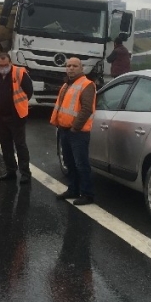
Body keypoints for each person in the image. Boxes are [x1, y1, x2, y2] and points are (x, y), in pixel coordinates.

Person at [51, 57, 97, 205]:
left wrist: (75, 127)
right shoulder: (66, 85)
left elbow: (87, 109)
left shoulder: (86, 85)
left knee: (81, 164)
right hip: (64, 130)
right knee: (70, 163)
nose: (71, 68)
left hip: (77, 132)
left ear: (81, 68)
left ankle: (87, 194)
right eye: (68, 65)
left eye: (75, 66)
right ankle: (73, 189)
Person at [0, 52, 34, 184]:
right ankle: (11, 170)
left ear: (10, 63)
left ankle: (25, 173)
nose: (3, 67)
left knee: (20, 145)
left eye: (5, 65)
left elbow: (29, 91)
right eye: (0, 65)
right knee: (6, 145)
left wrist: (21, 105)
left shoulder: (19, 73)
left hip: (16, 116)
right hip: (2, 116)